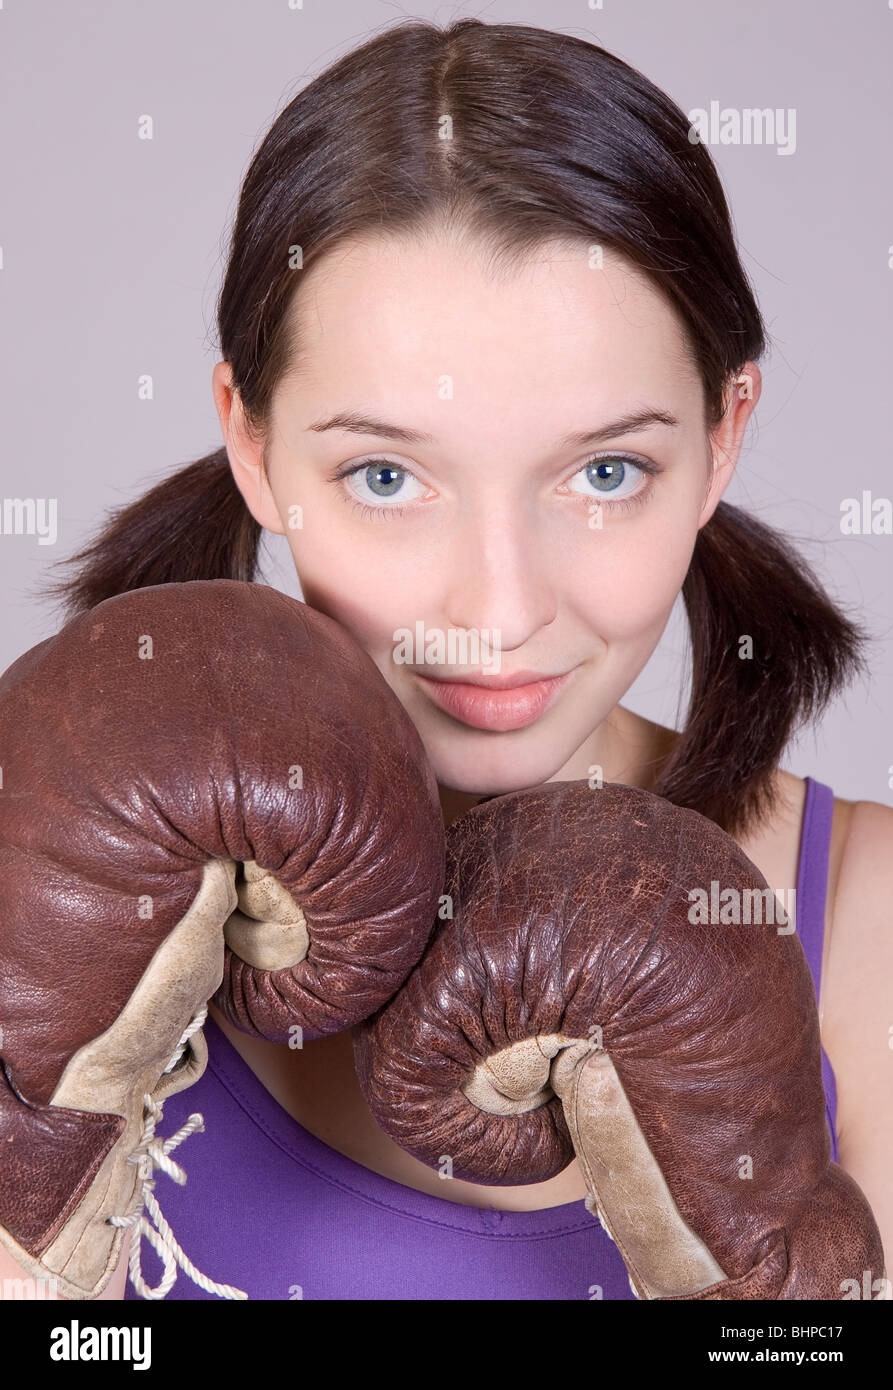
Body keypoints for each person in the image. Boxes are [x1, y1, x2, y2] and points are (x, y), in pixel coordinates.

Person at [14, 17, 892, 1299]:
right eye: (384, 474)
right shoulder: (45, 878)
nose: (497, 601)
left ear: (722, 436)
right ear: (251, 445)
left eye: (604, 471)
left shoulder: (865, 928)